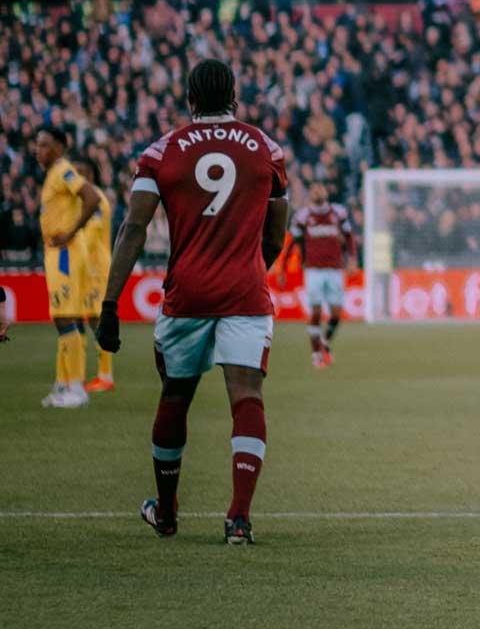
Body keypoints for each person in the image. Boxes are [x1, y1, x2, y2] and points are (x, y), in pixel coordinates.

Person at [95, 59, 291, 545]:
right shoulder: (265, 148)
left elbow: (134, 228)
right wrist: (251, 264)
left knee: (176, 397)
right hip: (245, 292)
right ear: (235, 98)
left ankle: (165, 513)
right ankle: (239, 519)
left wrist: (109, 303)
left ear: (189, 99)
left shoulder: (161, 152)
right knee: (246, 396)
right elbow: (277, 229)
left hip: (187, 294)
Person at [36, 126, 106, 409]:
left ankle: (76, 388)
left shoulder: (63, 170)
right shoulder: (53, 174)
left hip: (64, 254)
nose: (38, 150)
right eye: (38, 144)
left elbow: (92, 197)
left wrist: (72, 231)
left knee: (66, 318)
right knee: (62, 319)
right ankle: (65, 384)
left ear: (60, 148)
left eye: (44, 145)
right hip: (56, 253)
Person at [282, 182, 355, 369]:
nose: (317, 191)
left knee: (337, 314)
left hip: (334, 269)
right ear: (310, 195)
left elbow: (349, 237)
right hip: (313, 270)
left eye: (320, 188)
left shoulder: (338, 213)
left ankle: (324, 341)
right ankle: (316, 354)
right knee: (315, 312)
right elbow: (291, 244)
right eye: (314, 189)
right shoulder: (303, 216)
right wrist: (283, 268)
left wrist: (352, 260)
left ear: (326, 192)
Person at [74, 158, 117, 392]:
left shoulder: (96, 199)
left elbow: (91, 234)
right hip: (87, 268)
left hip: (96, 270)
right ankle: (82, 374)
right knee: (89, 320)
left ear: (91, 174)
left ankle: (105, 376)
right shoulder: (86, 198)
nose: (78, 177)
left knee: (97, 320)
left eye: (82, 172)